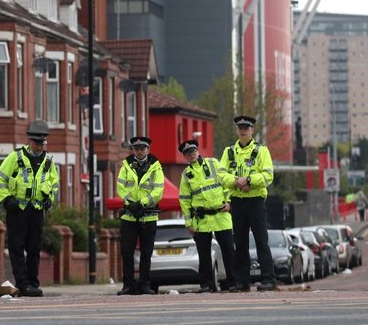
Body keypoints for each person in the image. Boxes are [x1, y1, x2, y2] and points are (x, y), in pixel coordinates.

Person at [0, 120, 59, 297]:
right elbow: (0, 179)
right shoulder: (16, 157)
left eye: (42, 143)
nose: (39, 146)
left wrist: (49, 199)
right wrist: (7, 200)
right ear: (29, 141)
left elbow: (53, 184)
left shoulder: (48, 161)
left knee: (34, 247)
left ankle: (33, 282)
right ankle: (22, 284)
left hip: (37, 209)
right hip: (18, 209)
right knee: (16, 247)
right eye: (37, 143)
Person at [218, 115, 277, 292]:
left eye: (246, 127)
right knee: (240, 242)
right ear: (237, 130)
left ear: (252, 130)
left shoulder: (261, 151)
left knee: (261, 240)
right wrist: (237, 181)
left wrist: (249, 180)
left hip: (256, 202)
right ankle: (241, 282)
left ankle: (268, 279)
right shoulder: (229, 152)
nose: (243, 130)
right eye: (240, 127)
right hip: (237, 201)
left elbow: (268, 175)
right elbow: (221, 174)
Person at [177, 139, 235, 293]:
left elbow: (226, 183)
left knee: (229, 251)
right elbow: (184, 199)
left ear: (198, 151)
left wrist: (229, 202)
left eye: (193, 151)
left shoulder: (213, 163)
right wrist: (188, 223)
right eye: (187, 153)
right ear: (184, 156)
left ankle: (234, 283)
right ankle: (206, 285)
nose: (191, 155)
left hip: (221, 215)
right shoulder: (186, 174)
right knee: (204, 254)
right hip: (201, 219)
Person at [116, 136, 164, 295]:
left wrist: (142, 203)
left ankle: (145, 285)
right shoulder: (126, 166)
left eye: (142, 148)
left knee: (146, 254)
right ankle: (128, 285)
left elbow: (158, 191)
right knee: (127, 252)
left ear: (148, 150)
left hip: (148, 216)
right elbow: (121, 188)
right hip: (129, 216)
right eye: (136, 149)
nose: (139, 151)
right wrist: (130, 203)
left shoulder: (156, 167)